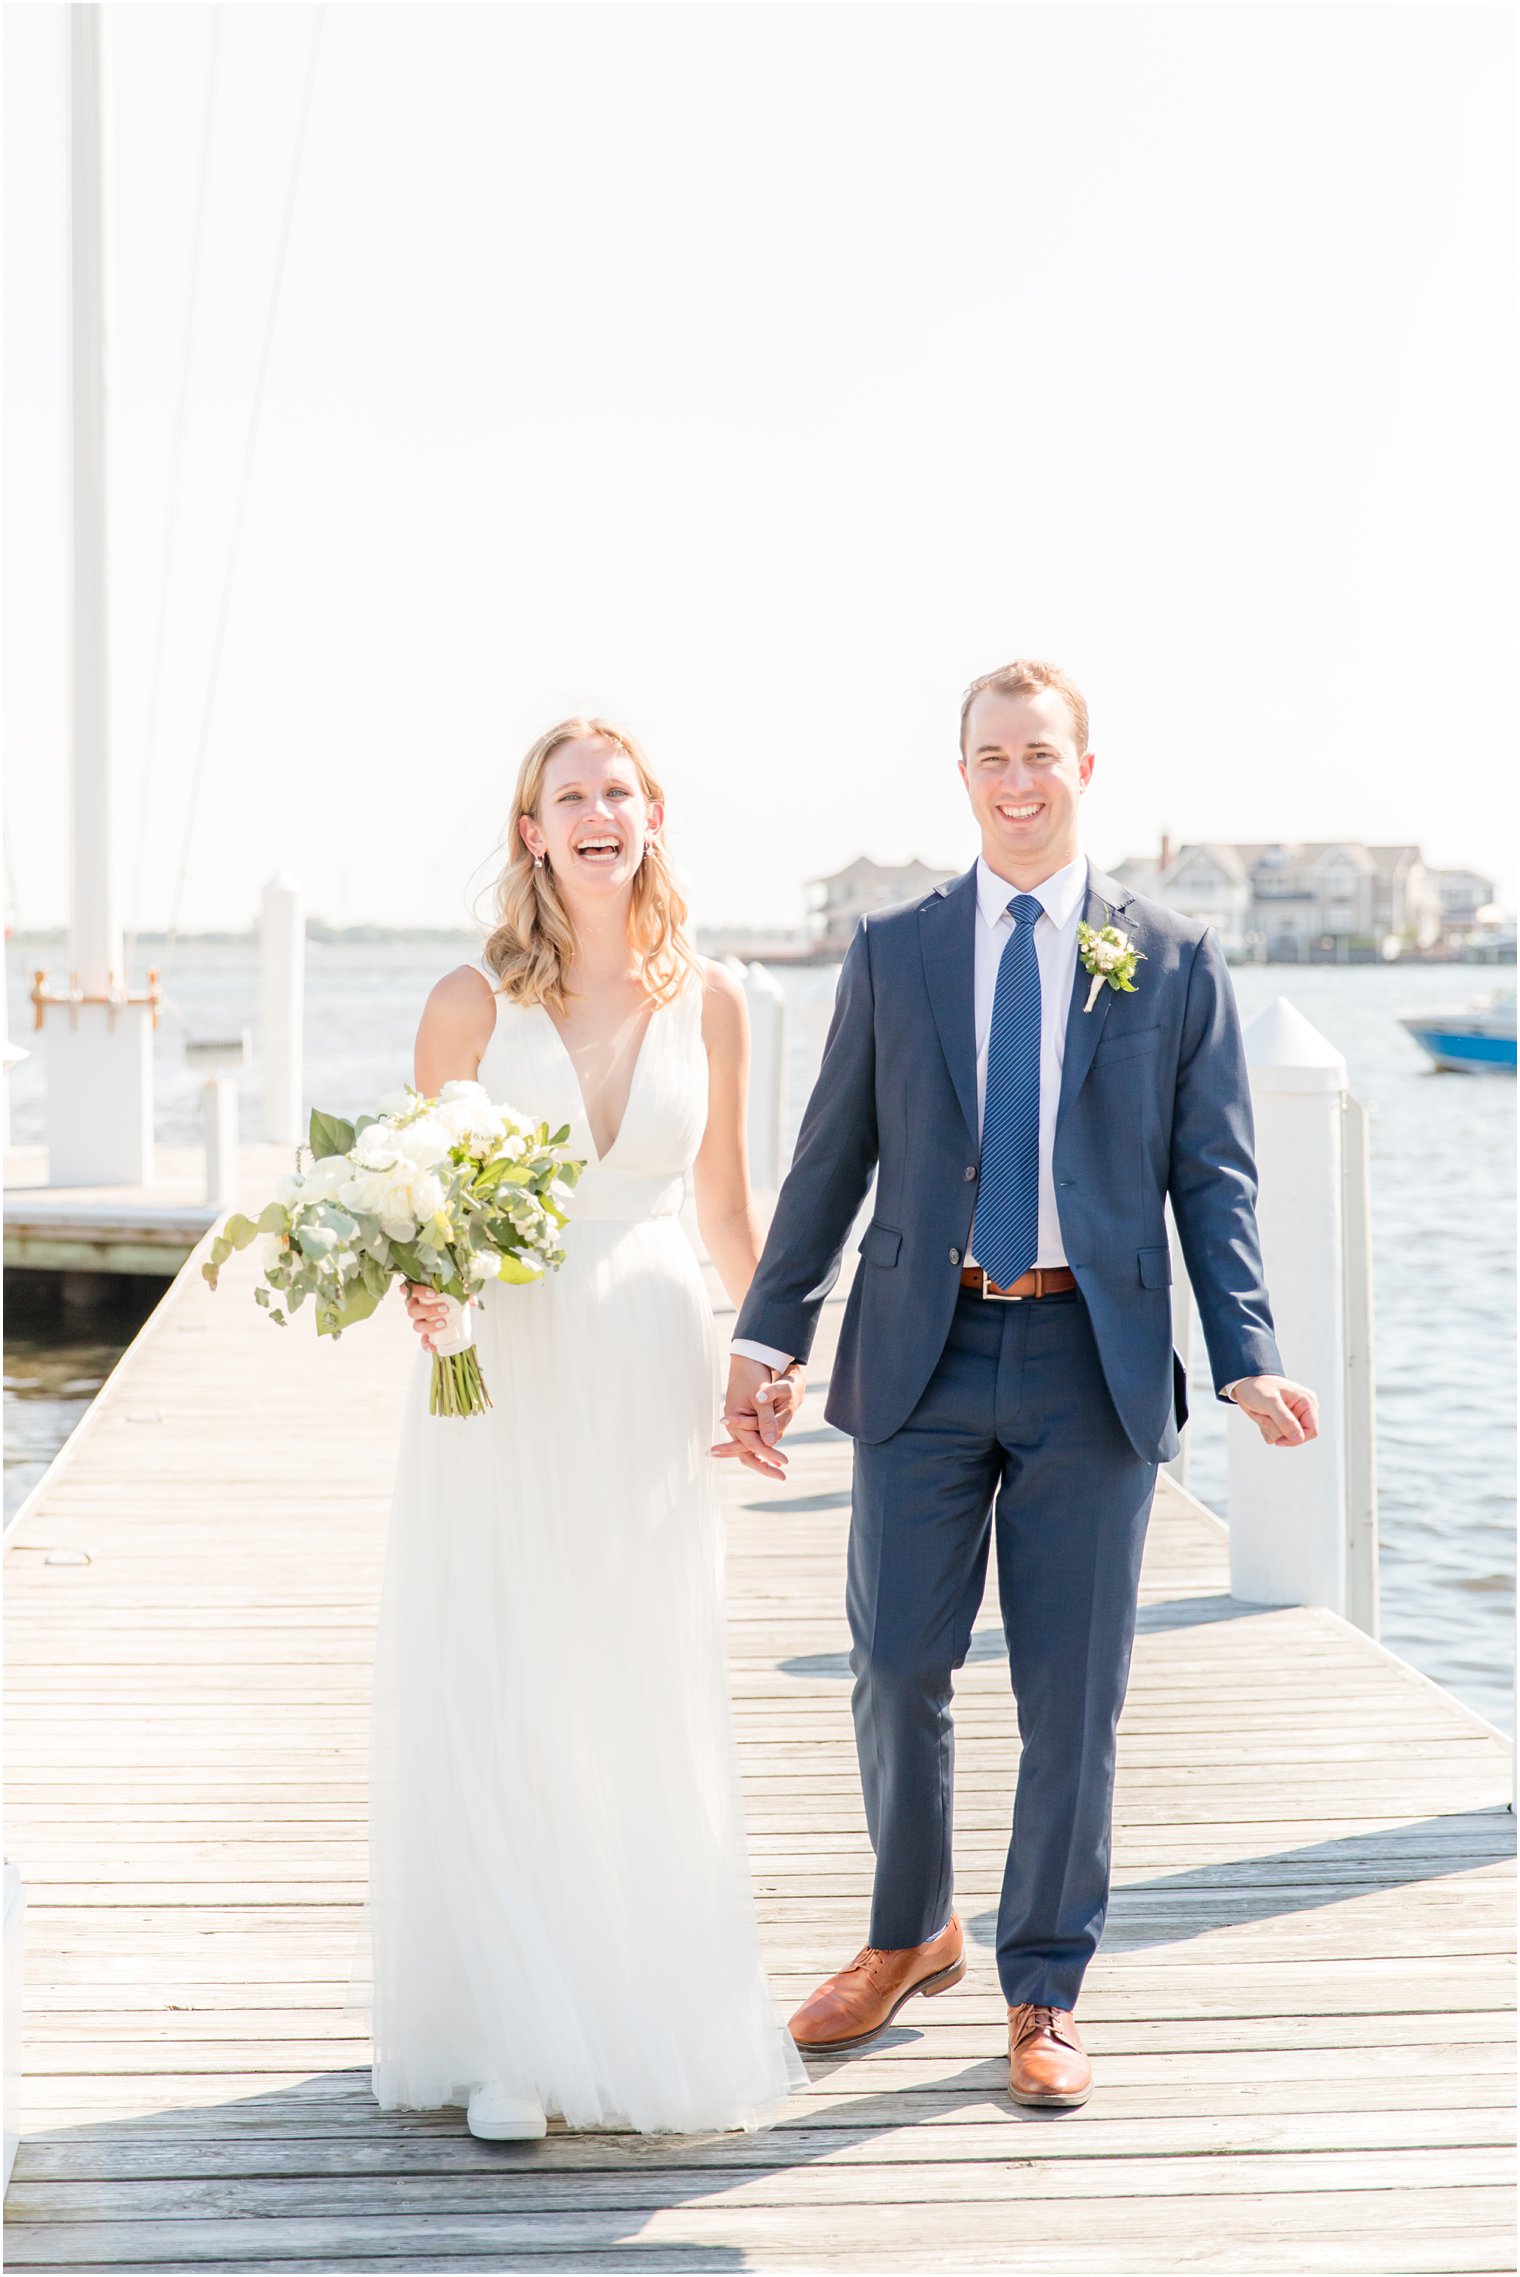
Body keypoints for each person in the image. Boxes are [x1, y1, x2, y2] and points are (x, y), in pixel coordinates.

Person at [718, 658, 1319, 2109]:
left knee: (1074, 1693)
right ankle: (908, 1931)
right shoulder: (898, 949)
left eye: (1040, 753)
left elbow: (1213, 1176)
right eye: (991, 755)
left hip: (1088, 1362)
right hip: (922, 1349)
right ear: (965, 771)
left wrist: (1247, 1350)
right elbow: (829, 1160)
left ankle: (1043, 1986)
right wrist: (764, 1333)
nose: (1016, 779)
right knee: (895, 1665)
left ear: (1085, 767)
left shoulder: (1168, 959)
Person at [369, 716, 806, 2140]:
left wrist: (779, 1352)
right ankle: (513, 2031)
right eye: (572, 797)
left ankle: (632, 2002)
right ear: (531, 832)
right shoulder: (467, 1006)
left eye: (620, 792)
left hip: (647, 1358)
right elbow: (423, 1216)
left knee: (635, 1679)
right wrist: (429, 1291)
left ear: (654, 814)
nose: (599, 815)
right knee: (509, 1670)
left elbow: (733, 1214)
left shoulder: (719, 999)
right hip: (509, 1365)